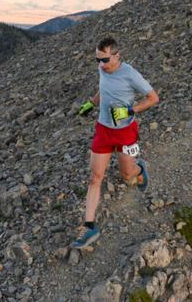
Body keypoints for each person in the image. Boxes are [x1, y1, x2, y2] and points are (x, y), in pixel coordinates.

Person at [72, 36, 159, 248]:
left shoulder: (130, 74)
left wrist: (130, 110)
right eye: (97, 60)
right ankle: (90, 227)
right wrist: (91, 104)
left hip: (125, 132)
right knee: (95, 177)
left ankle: (139, 169)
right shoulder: (103, 69)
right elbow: (104, 89)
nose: (100, 65)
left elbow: (153, 98)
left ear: (117, 56)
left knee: (127, 175)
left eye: (104, 60)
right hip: (103, 130)